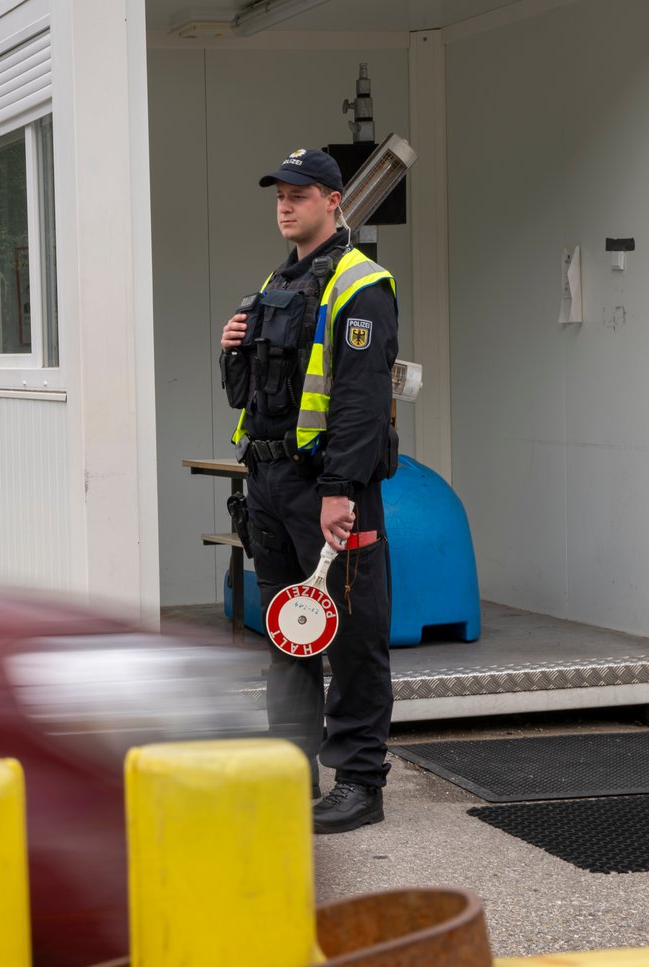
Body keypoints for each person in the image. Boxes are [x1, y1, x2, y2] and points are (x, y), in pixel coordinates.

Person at [219, 147, 398, 833]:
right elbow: (261, 391)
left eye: (300, 194)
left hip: (326, 491)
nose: (286, 205)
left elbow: (359, 402)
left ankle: (360, 782)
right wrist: (232, 345)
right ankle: (293, 770)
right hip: (267, 485)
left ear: (333, 201)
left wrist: (339, 490)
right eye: (279, 196)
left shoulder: (361, 286)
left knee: (353, 636)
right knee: (290, 635)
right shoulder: (277, 282)